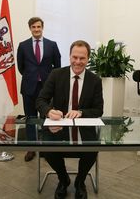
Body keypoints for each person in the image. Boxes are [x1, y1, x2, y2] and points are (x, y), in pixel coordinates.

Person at [36, 40, 103, 199]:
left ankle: (80, 181)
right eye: (75, 57)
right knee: (48, 149)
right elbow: (40, 101)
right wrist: (49, 111)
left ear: (88, 59)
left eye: (82, 58)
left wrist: (81, 112)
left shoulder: (95, 80)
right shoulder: (56, 74)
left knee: (92, 149)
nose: (78, 62)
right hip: (58, 126)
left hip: (83, 128)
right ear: (69, 56)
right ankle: (63, 179)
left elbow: (99, 110)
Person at [17, 17, 61, 162]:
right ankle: (31, 148)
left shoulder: (52, 45)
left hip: (46, 89)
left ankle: (45, 148)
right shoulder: (23, 46)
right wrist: (33, 77)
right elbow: (21, 67)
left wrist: (47, 79)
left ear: (42, 27)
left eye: (39, 27)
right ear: (30, 28)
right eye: (33, 27)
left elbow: (58, 67)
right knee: (30, 118)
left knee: (46, 118)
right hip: (29, 88)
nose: (36, 29)